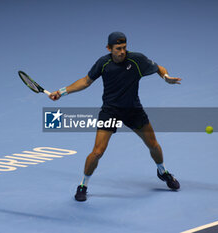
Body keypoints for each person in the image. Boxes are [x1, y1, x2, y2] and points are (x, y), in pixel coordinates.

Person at [49, 32, 182, 202]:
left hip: (133, 110)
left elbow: (158, 68)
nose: (122, 52)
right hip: (110, 111)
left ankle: (162, 172)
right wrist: (61, 92)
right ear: (109, 48)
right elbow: (85, 81)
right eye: (118, 49)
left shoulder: (137, 60)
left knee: (154, 146)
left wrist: (166, 77)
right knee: (97, 152)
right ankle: (83, 185)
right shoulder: (103, 63)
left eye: (124, 48)